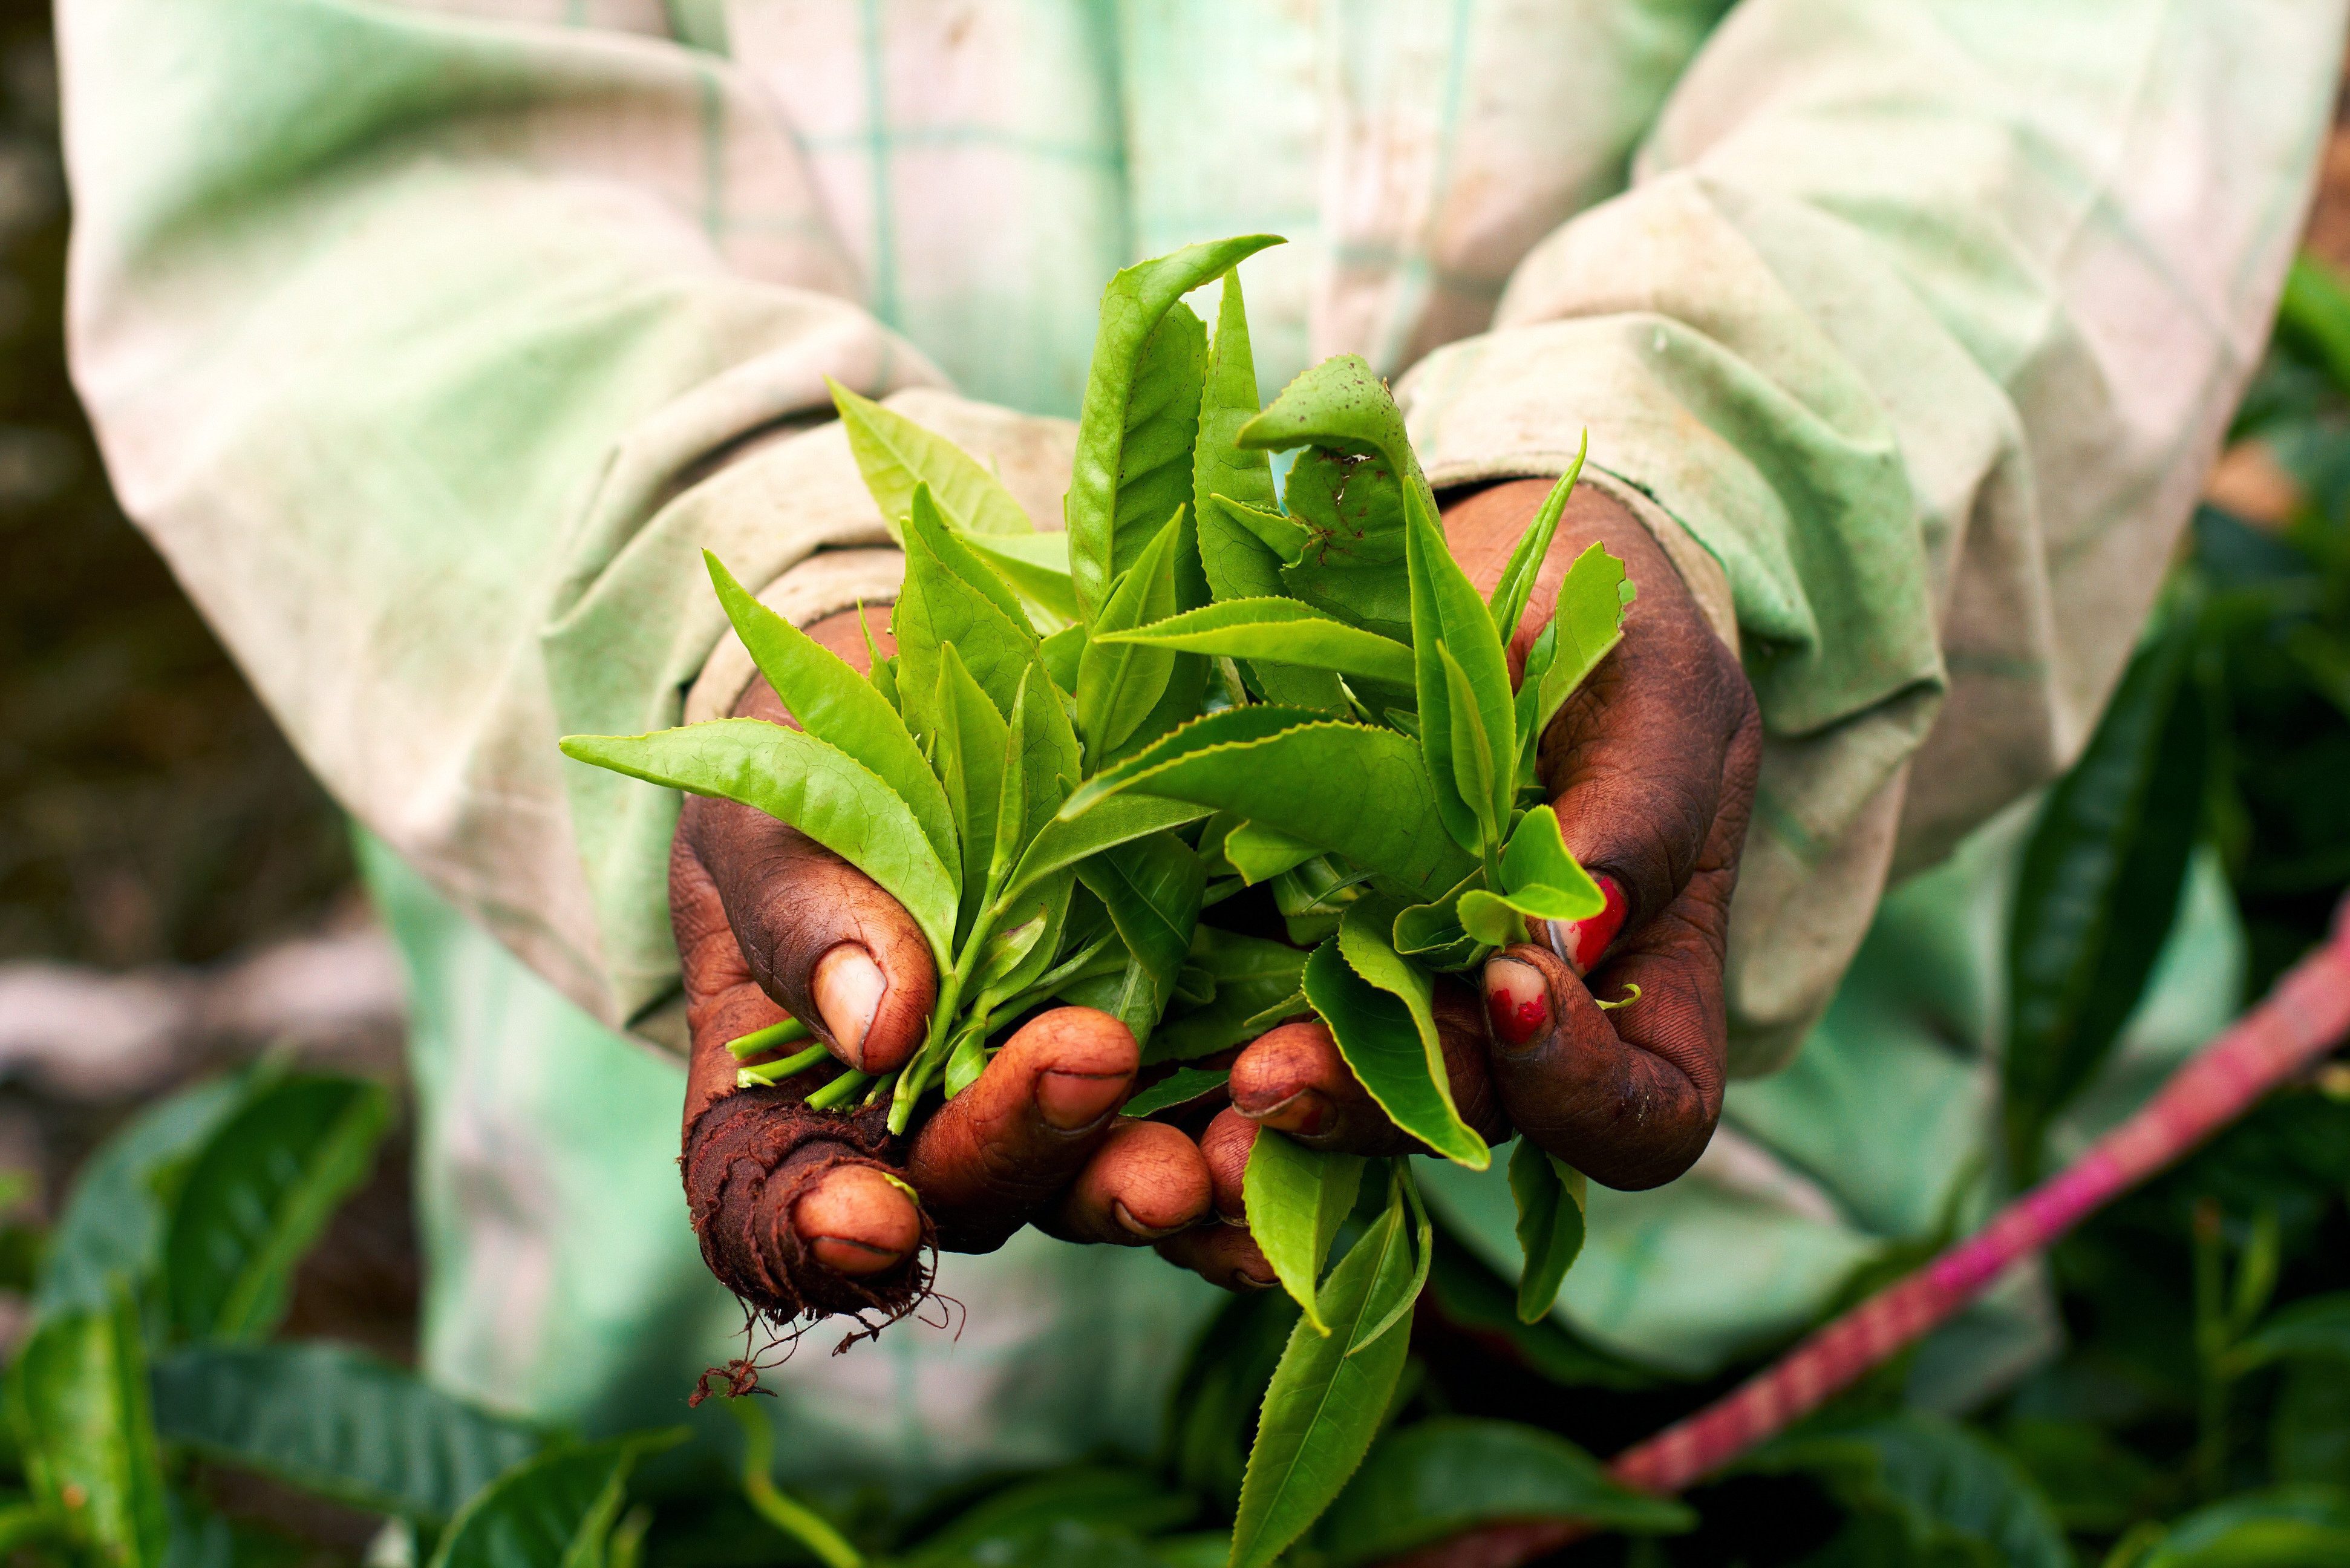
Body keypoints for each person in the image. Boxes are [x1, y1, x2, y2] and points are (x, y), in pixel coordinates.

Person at [57, 0, 2336, 1484]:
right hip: (724, 1354)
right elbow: (336, 175)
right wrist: (740, 609)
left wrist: (1705, 490)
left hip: (1835, 1222)